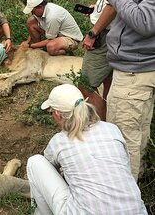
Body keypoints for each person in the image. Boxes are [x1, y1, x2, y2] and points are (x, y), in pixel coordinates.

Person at [26, 84, 147, 215]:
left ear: (57, 114)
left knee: (35, 162)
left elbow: (49, 168)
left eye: (51, 112)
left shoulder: (59, 141)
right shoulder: (112, 129)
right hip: (136, 211)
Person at [100, 0, 155, 182]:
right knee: (137, 131)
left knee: (124, 138)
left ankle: (123, 197)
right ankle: (135, 181)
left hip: (134, 73)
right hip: (144, 67)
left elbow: (146, 21)